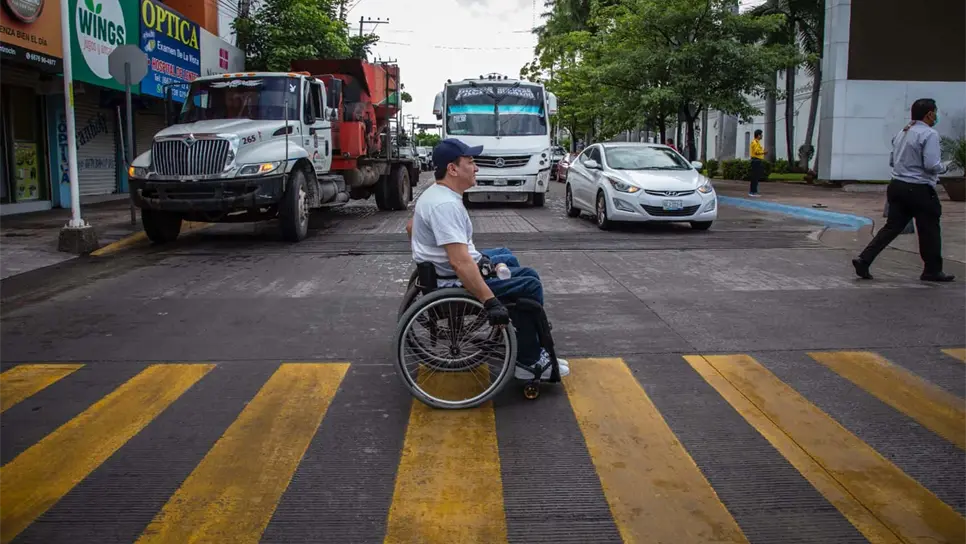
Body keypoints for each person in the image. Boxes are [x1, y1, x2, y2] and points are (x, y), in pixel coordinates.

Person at [408, 138, 570, 379]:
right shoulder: (444, 205)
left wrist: (430, 251)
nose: (477, 168)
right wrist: (490, 301)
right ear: (452, 169)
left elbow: (411, 227)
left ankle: (527, 331)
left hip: (441, 271)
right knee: (529, 282)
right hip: (452, 281)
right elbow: (460, 263)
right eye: (471, 162)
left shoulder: (436, 193)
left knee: (506, 256)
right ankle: (530, 361)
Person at [852, 98, 955, 282]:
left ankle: (864, 259)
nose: (936, 117)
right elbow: (931, 165)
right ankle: (932, 270)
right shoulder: (929, 134)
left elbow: (893, 160)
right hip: (920, 189)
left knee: (892, 227)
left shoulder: (902, 132)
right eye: (935, 113)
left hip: (897, 185)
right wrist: (946, 167)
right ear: (929, 114)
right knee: (929, 229)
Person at [749, 129, 766, 197]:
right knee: (755, 177)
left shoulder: (757, 142)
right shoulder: (755, 142)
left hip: (757, 160)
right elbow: (756, 152)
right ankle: (752, 192)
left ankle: (754, 191)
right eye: (761, 134)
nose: (762, 136)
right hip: (756, 160)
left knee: (755, 177)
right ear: (758, 135)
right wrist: (763, 152)